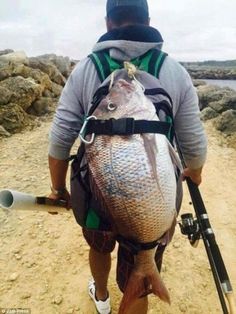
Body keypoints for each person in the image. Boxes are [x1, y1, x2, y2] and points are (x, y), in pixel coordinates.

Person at [48, 0, 207, 313]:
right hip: (153, 206)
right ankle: (138, 282)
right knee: (141, 265)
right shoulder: (173, 70)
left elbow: (59, 140)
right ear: (147, 19)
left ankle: (103, 297)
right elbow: (195, 148)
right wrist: (196, 172)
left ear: (108, 23)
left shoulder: (86, 68)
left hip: (96, 197)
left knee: (99, 245)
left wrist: (58, 189)